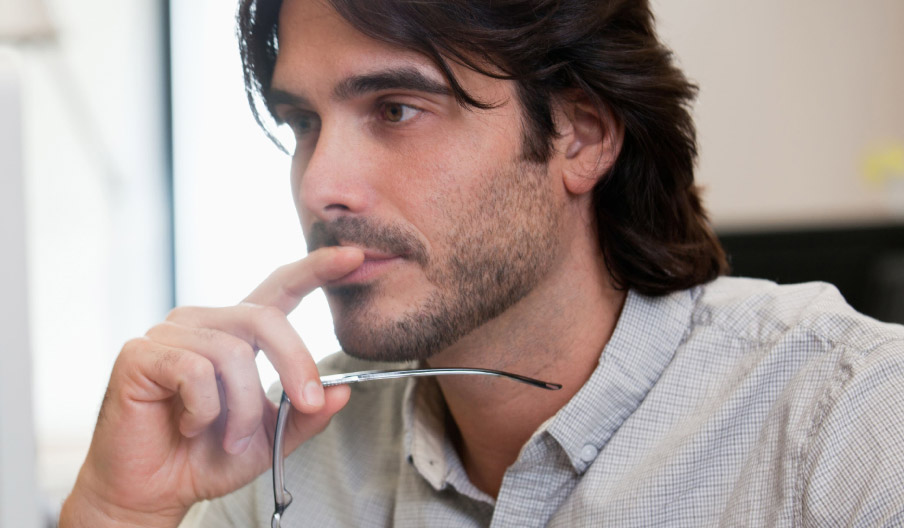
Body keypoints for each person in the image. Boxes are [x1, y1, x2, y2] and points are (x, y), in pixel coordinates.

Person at [60, 0, 904, 525]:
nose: (321, 186)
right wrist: (119, 511)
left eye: (395, 108)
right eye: (303, 124)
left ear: (581, 136)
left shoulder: (847, 423)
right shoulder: (279, 452)